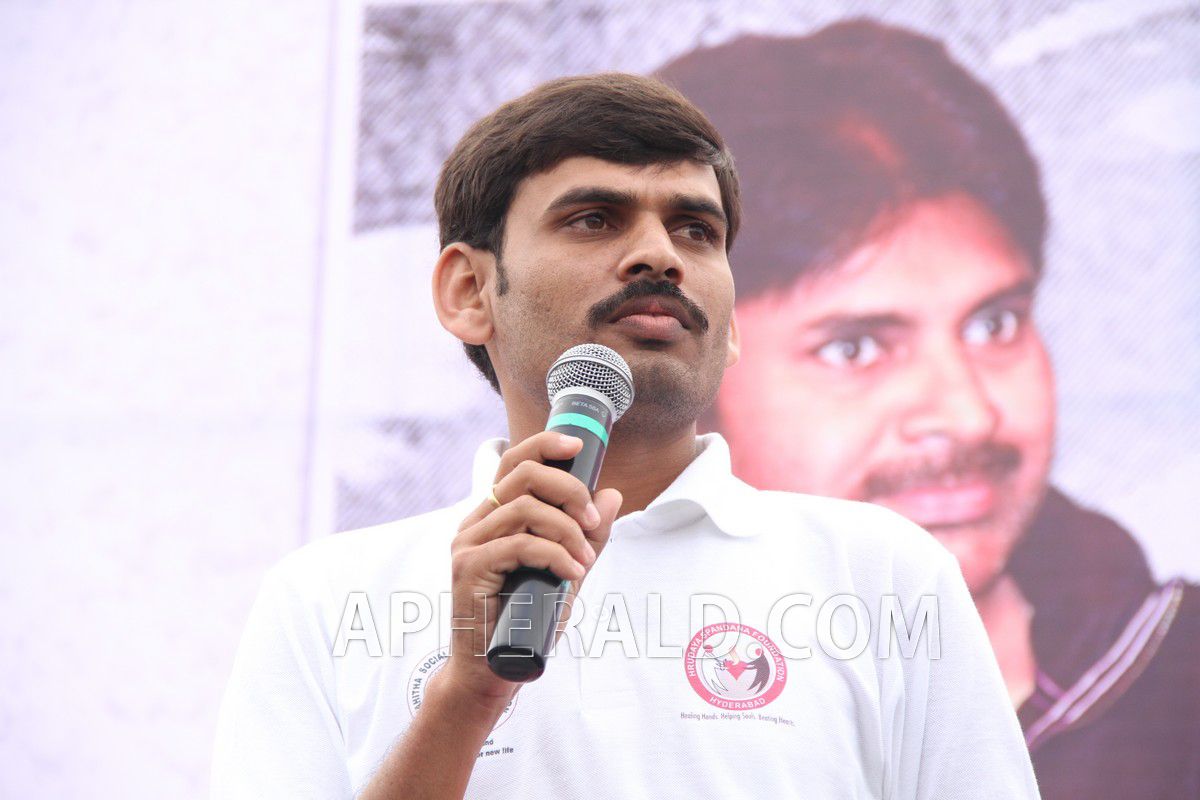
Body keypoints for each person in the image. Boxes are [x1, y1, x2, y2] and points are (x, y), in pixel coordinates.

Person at [211, 72, 1039, 798]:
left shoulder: (883, 573)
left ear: (732, 322)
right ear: (470, 290)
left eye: (695, 231)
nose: (658, 256)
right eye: (594, 219)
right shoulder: (326, 602)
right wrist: (465, 695)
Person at [657, 20, 1200, 800]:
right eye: (856, 348)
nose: (971, 412)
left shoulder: (1180, 696)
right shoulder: (560, 721)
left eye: (994, 324)